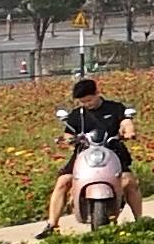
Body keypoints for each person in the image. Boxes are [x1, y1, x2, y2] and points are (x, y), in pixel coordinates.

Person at [45, 75, 143, 231]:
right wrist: (68, 141)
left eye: (89, 100)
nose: (86, 104)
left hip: (112, 151)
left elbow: (126, 122)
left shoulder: (115, 108)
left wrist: (129, 132)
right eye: (83, 102)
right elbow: (68, 134)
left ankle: (140, 220)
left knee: (129, 182)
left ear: (98, 92)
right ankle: (52, 224)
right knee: (63, 181)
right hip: (84, 153)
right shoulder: (78, 114)